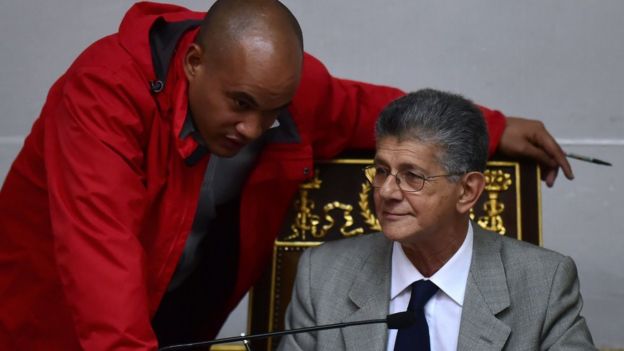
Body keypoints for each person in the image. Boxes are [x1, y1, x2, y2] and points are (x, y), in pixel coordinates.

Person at [0, 1, 573, 350]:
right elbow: (101, 275)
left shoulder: (284, 99)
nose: (254, 129)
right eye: (240, 104)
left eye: (272, 111)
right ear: (195, 63)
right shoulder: (102, 95)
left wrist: (494, 127)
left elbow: (359, 107)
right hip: (53, 328)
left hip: (175, 319)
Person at [278, 89, 595, 351]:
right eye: (382, 171)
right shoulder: (321, 276)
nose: (387, 191)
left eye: (411, 176)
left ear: (467, 192)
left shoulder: (544, 283)